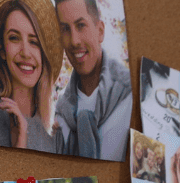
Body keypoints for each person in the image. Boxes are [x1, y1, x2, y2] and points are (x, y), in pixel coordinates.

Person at [0, 0, 61, 152]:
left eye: (34, 42)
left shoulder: (53, 141)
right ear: (2, 50)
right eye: (14, 38)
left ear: (43, 53)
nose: (26, 53)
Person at [52, 0, 131, 160]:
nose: (74, 41)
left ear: (100, 31)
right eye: (65, 29)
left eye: (81, 25)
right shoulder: (62, 113)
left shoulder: (130, 94)